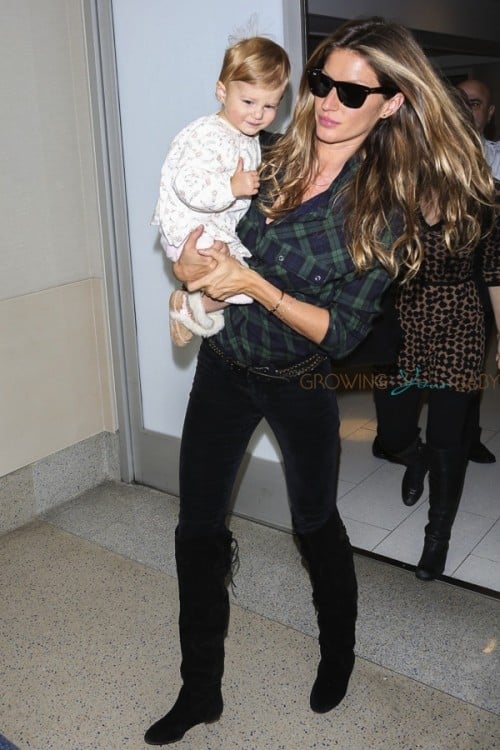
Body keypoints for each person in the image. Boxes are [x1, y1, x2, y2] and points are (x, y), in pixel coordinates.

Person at [144, 17, 496, 746]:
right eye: (320, 81)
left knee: (314, 525)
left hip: (299, 381)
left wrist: (253, 284)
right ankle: (198, 687)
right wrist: (187, 264)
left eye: (351, 90)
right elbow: (193, 222)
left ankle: (338, 654)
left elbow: (340, 334)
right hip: (224, 369)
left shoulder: (384, 210)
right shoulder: (266, 154)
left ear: (391, 103)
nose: (328, 101)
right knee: (196, 530)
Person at [371, 86, 500, 581]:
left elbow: (493, 272)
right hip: (403, 326)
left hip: (460, 326)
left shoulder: (482, 198)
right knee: (394, 432)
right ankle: (415, 457)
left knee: (449, 436)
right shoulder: (394, 191)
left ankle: (437, 535)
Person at [152, 36, 290, 346]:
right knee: (239, 283)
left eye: (269, 106)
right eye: (248, 102)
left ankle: (193, 306)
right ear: (221, 92)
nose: (258, 114)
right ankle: (189, 306)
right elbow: (185, 183)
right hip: (189, 224)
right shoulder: (208, 134)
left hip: (216, 226)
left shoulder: (248, 136)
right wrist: (230, 187)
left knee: (243, 276)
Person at [454, 78, 500, 463]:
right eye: (460, 102)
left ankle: (466, 438)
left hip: (485, 280)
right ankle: (394, 439)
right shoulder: (431, 156)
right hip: (432, 282)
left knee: (469, 368)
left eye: (474, 102)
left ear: (488, 112)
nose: (467, 109)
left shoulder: (498, 158)